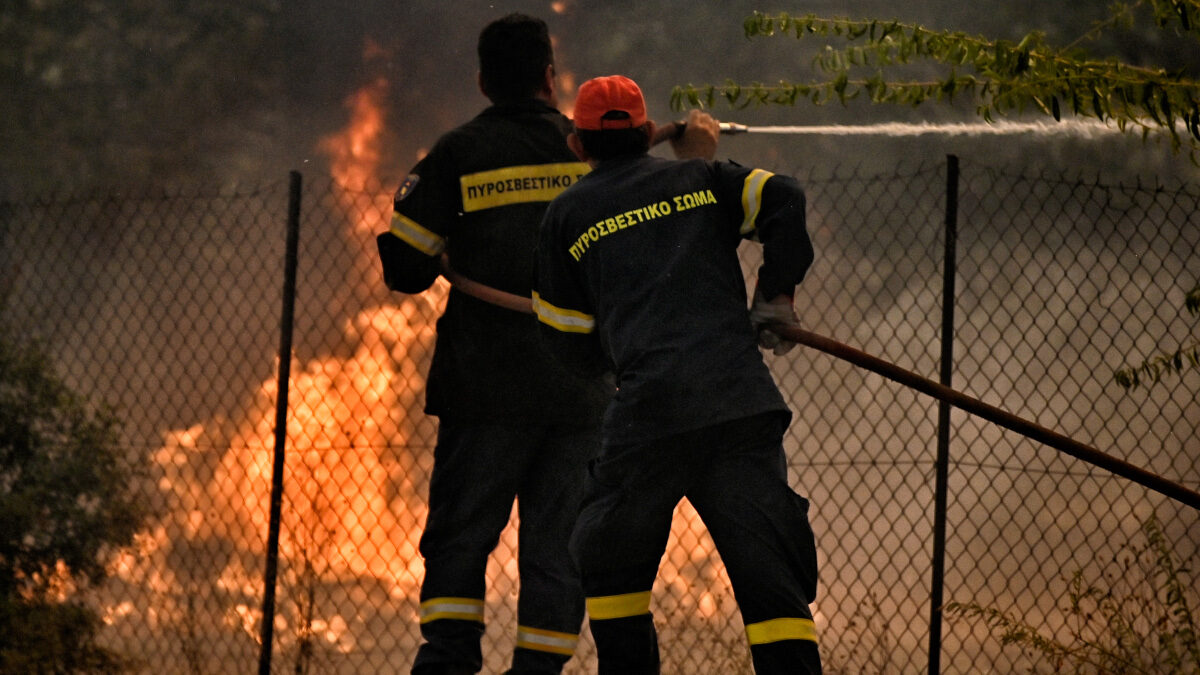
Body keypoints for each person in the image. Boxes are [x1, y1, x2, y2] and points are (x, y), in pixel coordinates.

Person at [533, 75, 822, 674]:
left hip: (646, 419)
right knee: (773, 585)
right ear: (644, 133)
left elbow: (565, 338)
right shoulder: (703, 181)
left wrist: (617, 361)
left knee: (611, 569)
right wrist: (775, 296)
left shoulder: (566, 216)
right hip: (737, 406)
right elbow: (786, 198)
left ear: (578, 146)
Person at [375, 14, 613, 675]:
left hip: (485, 387)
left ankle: (448, 659)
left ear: (483, 82)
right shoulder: (589, 153)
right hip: (580, 390)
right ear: (549, 76)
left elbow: (406, 268)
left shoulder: (458, 154)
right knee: (558, 545)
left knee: (461, 534)